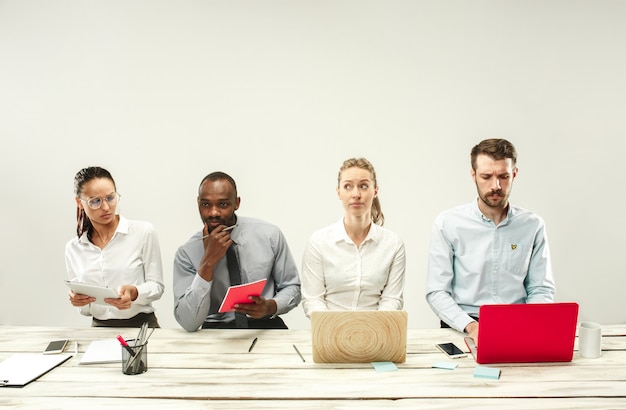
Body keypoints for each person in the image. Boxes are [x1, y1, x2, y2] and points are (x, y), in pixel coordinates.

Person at [426, 139, 556, 343]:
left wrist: (529, 322)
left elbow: (541, 288)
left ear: (514, 174)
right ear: (473, 175)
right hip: (462, 326)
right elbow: (437, 291)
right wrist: (472, 327)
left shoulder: (533, 225)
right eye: (486, 177)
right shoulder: (448, 223)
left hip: (518, 323)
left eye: (503, 177)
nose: (496, 186)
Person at [173, 171, 301, 331]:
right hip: (215, 331)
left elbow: (292, 287)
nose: (213, 212)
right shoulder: (186, 253)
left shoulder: (269, 235)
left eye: (223, 204)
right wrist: (208, 261)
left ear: (237, 203)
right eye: (206, 204)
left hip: (265, 325)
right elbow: (188, 322)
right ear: (198, 203)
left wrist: (269, 306)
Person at [301, 158, 405, 317]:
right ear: (338, 192)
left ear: (375, 191)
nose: (356, 194)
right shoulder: (319, 242)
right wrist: (337, 328)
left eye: (363, 186)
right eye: (348, 186)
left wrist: (372, 329)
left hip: (376, 332)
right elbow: (313, 300)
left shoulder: (393, 244)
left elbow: (392, 299)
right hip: (330, 332)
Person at [65, 166, 164, 328]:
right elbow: (85, 310)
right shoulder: (74, 248)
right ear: (79, 203)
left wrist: (134, 293)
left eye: (110, 198)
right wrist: (78, 300)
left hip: (142, 327)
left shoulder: (143, 232)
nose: (105, 207)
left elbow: (157, 286)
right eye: (95, 201)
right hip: (99, 329)